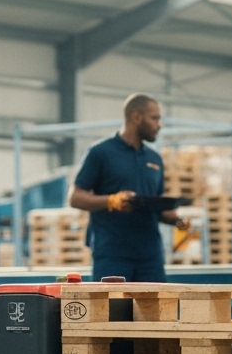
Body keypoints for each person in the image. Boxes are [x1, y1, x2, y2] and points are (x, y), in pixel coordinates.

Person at [69, 94, 186, 282]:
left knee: (155, 311)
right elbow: (75, 197)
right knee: (110, 311)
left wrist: (176, 219)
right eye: (154, 118)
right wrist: (111, 201)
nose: (159, 125)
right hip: (112, 255)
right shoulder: (101, 153)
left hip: (151, 256)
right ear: (137, 116)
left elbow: (156, 207)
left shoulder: (154, 159)